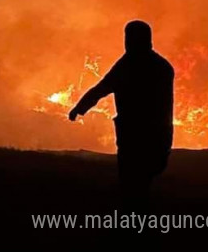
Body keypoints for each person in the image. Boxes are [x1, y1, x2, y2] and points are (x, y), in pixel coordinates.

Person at [68, 20, 174, 210]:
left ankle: (132, 225)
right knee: (142, 181)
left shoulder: (127, 66)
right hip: (157, 133)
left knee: (133, 182)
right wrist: (80, 107)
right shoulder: (162, 66)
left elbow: (101, 88)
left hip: (135, 134)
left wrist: (79, 108)